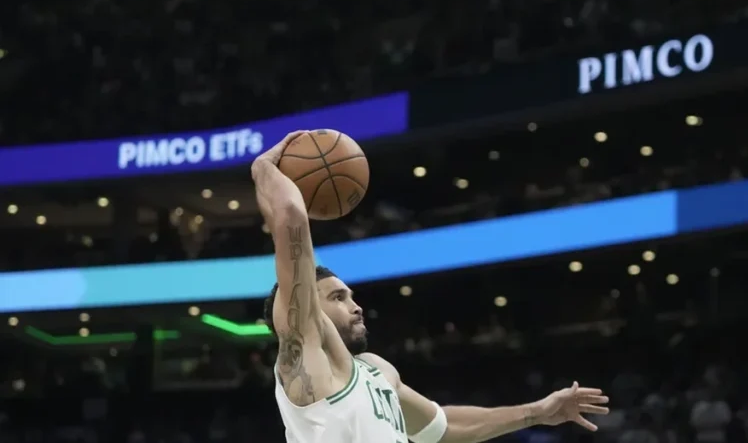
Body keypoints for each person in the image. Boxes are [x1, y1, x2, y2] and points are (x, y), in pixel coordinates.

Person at [255, 132, 611, 443]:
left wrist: (537, 412)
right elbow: (291, 216)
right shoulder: (303, 356)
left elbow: (441, 427)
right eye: (338, 297)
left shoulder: (378, 371)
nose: (356, 306)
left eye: (351, 295)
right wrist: (264, 171)